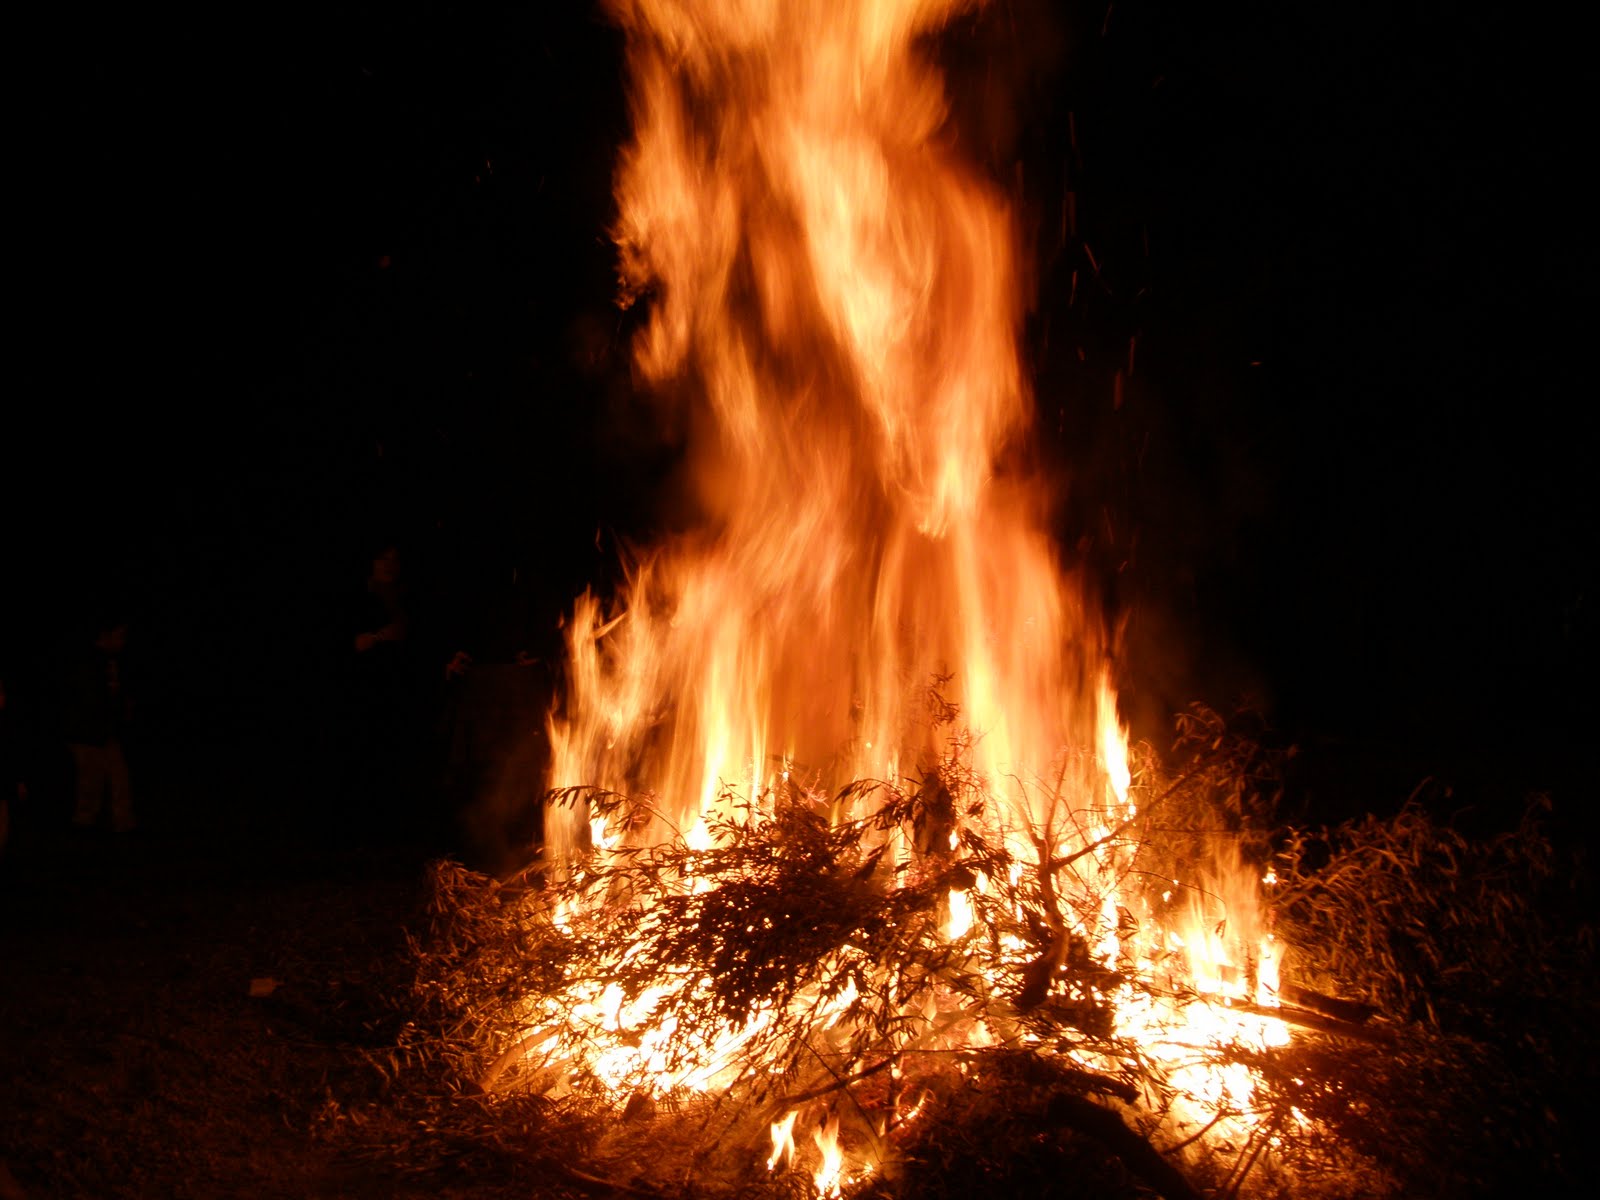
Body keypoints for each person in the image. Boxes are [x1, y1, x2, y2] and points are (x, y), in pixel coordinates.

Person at [63, 616, 135, 833]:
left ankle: (122, 822)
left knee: (118, 777)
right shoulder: (86, 662)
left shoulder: (114, 661)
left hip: (105, 731)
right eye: (120, 635)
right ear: (106, 635)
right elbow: (89, 699)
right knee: (90, 782)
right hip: (87, 732)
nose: (124, 640)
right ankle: (84, 823)